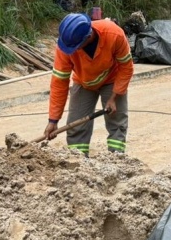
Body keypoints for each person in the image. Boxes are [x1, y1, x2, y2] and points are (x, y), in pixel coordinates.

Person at [43, 13, 133, 156]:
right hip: (83, 82)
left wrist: (114, 97)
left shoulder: (114, 34)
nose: (73, 50)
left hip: (112, 79)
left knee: (116, 121)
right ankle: (78, 160)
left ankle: (116, 158)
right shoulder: (65, 46)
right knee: (76, 125)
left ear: (88, 37)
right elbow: (59, 83)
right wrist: (53, 120)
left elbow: (126, 67)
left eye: (76, 47)